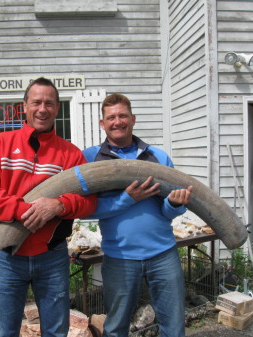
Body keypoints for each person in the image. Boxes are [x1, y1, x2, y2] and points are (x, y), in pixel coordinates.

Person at [0, 77, 97, 337]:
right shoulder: (0, 145)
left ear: (57, 109)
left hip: (51, 257)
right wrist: (25, 210)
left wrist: (58, 205)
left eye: (49, 103)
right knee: (2, 332)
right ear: (24, 106)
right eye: (37, 102)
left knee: (55, 332)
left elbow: (89, 202)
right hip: (7, 255)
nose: (43, 109)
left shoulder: (70, 154)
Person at [83, 93, 192, 337]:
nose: (117, 121)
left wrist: (174, 205)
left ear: (133, 119)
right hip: (119, 256)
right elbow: (85, 209)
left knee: (174, 326)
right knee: (115, 327)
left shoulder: (158, 157)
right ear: (103, 123)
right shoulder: (90, 159)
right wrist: (126, 199)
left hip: (163, 254)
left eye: (123, 116)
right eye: (111, 117)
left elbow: (169, 211)